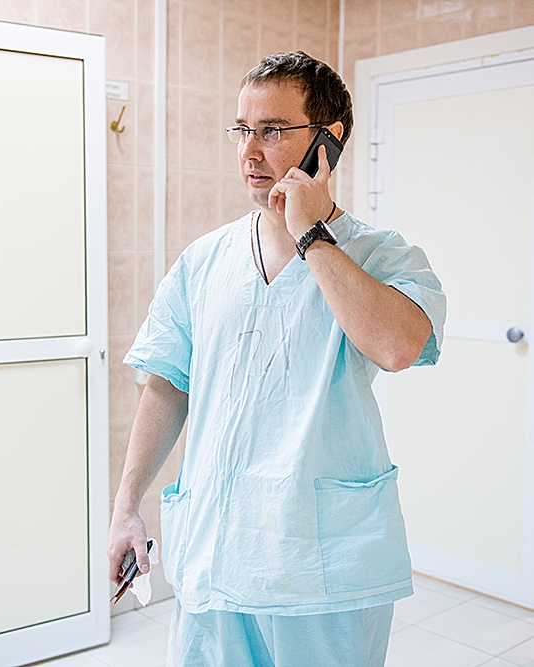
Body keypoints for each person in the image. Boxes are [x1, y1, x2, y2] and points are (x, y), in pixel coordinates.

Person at [107, 51, 446, 667]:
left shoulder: (380, 255)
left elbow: (399, 346)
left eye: (271, 130)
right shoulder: (203, 261)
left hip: (322, 565)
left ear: (327, 140)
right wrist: (126, 505)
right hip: (216, 555)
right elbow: (166, 386)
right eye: (242, 129)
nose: (249, 151)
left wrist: (312, 234)